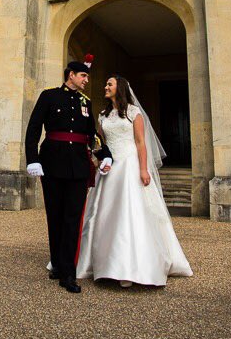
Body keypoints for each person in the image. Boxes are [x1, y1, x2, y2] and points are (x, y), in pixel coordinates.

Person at [76, 74, 193, 287]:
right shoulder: (103, 114)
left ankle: (130, 267)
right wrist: (97, 160)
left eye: (109, 84)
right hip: (110, 168)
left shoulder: (133, 112)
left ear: (119, 88)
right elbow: (100, 142)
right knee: (104, 214)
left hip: (129, 166)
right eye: (106, 83)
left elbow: (140, 142)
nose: (105, 86)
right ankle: (104, 263)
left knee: (129, 213)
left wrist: (143, 169)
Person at [25, 54, 113, 293]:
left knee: (73, 219)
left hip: (77, 166)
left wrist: (104, 154)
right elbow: (33, 128)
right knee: (55, 216)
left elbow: (91, 134)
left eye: (87, 76)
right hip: (52, 163)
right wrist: (32, 159)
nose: (86, 80)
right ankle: (57, 264)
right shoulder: (49, 96)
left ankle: (68, 273)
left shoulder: (85, 101)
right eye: (83, 75)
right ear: (71, 75)